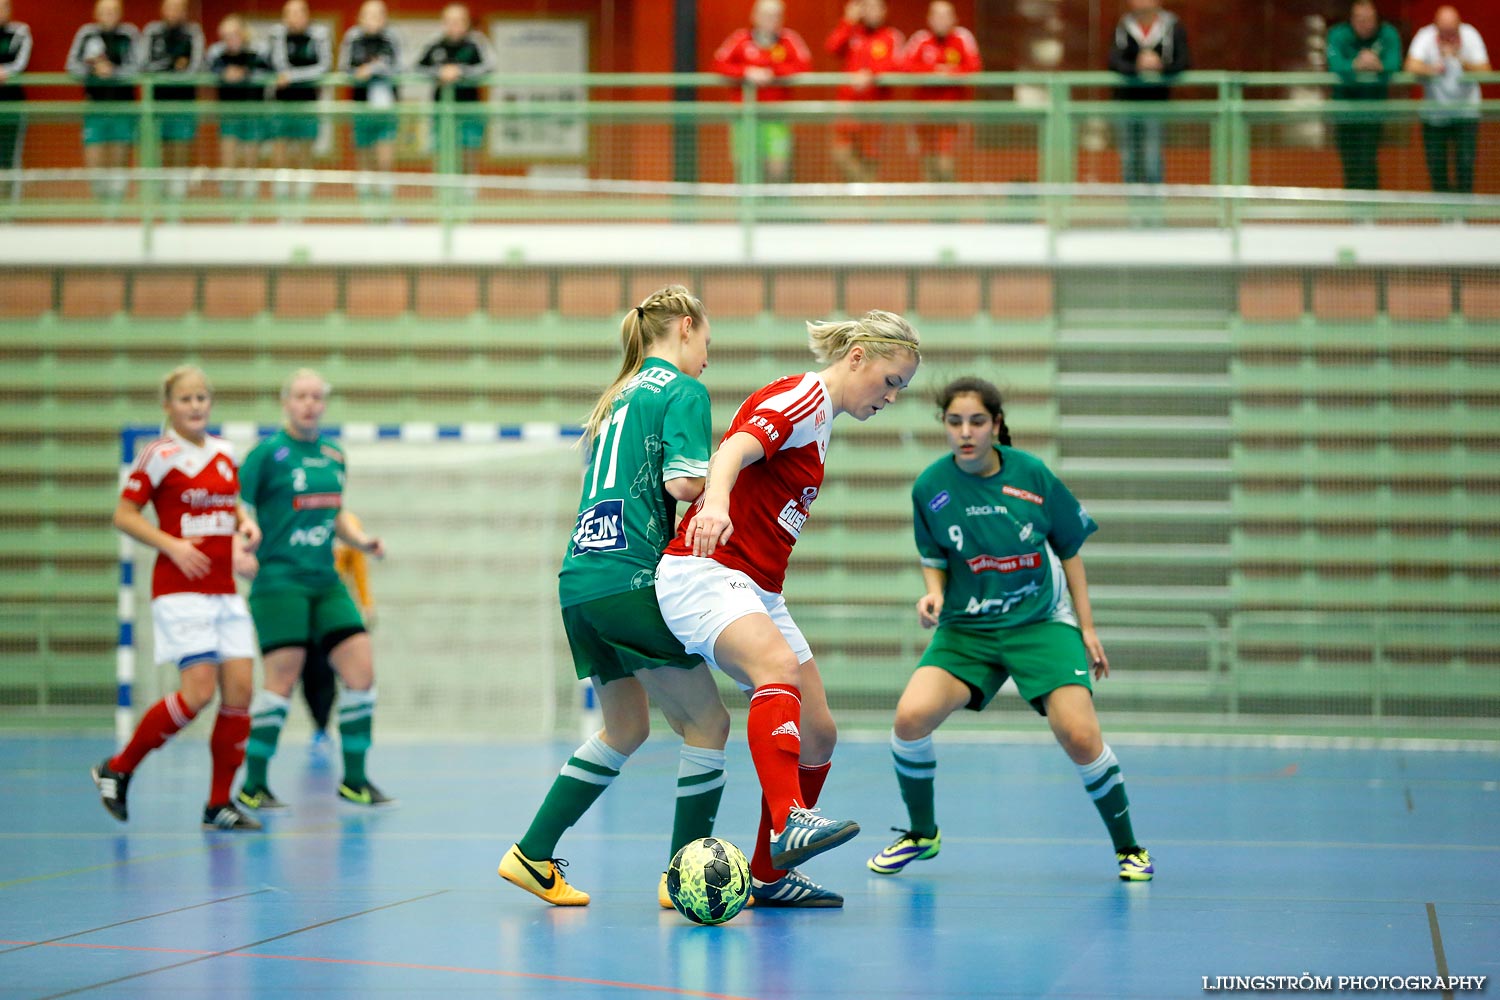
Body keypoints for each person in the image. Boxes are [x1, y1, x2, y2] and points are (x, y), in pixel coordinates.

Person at [655, 310, 922, 907]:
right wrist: (717, 504)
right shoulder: (801, 395)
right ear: (856, 358)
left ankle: (768, 876)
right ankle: (789, 820)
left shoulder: (823, 421)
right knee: (775, 669)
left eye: (900, 388)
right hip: (704, 572)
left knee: (819, 735)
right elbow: (733, 451)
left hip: (757, 590)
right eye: (889, 381)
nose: (891, 396)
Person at [499, 285, 734, 909]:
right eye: (708, 342)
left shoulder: (616, 397)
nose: (708, 357)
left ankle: (531, 853)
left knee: (626, 726)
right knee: (709, 721)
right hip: (630, 576)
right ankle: (681, 875)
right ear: (686, 328)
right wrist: (735, 473)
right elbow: (684, 482)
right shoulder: (683, 390)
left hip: (580, 580)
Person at [866, 377, 1154, 882]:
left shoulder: (1033, 476)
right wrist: (933, 592)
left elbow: (1071, 551)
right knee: (910, 717)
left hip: (1039, 622)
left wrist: (1086, 629)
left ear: (996, 425)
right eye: (954, 422)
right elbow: (934, 556)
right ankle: (921, 833)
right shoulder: (930, 488)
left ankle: (1128, 847)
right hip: (967, 629)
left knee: (1080, 734)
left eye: (977, 421)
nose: (965, 432)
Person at [91, 366, 263, 832]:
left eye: (202, 397)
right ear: (168, 405)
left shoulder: (225, 453)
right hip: (179, 590)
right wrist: (173, 545)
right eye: (185, 399)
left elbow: (230, 508)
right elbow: (124, 515)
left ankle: (217, 804)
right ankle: (119, 766)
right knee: (198, 693)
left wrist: (245, 528)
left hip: (224, 592)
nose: (195, 406)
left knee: (241, 693)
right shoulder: (158, 454)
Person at [236, 369, 393, 811]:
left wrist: (361, 541)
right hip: (279, 581)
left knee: (361, 672)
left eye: (316, 397)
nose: (309, 404)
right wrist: (238, 548)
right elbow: (236, 505)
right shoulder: (267, 455)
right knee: (281, 682)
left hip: (325, 580)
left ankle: (356, 781)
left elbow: (336, 512)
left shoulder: (333, 455)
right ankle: (253, 783)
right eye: (301, 396)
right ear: (286, 401)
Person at [710, 0, 813, 184]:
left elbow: (804, 66)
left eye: (776, 15)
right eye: (766, 15)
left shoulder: (789, 39)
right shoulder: (740, 39)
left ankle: (773, 211)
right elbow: (718, 64)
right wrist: (747, 72)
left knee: (777, 169)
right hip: (745, 116)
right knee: (746, 167)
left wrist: (773, 73)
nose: (771, 20)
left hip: (776, 117)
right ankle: (748, 212)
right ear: (755, 16)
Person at [1405, 6, 1490, 195]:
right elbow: (1411, 66)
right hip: (1435, 115)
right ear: (1436, 27)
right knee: (1437, 168)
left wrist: (1459, 58)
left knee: (1465, 165)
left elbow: (1485, 72)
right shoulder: (1425, 36)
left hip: (1466, 113)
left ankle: (1463, 217)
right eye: (1444, 32)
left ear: (1459, 26)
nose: (1448, 36)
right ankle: (1444, 218)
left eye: (1452, 31)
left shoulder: (1471, 35)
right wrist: (1432, 70)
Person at [1106, 0, 1189, 186]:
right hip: (1126, 104)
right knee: (1129, 159)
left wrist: (1160, 66)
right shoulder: (1123, 27)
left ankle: (1153, 212)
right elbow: (1113, 61)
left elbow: (1183, 61)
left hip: (1156, 104)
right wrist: (1137, 66)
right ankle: (1134, 213)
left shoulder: (1172, 26)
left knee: (1152, 158)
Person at [66, 0, 140, 200]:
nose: (109, 15)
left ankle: (115, 210)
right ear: (96, 14)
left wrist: (113, 72)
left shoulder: (129, 34)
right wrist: (93, 70)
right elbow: (71, 66)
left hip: (123, 107)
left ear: (121, 13)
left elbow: (139, 66)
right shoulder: (86, 34)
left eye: (114, 11)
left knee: (119, 160)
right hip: (94, 106)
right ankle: (101, 209)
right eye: (105, 11)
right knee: (94, 161)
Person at [900, 1, 982, 183]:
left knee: (946, 163)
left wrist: (950, 73)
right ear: (929, 18)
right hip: (924, 116)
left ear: (954, 18)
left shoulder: (962, 37)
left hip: (951, 116)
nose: (941, 20)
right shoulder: (920, 39)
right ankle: (932, 208)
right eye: (937, 15)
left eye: (946, 15)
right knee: (928, 163)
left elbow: (974, 67)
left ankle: (949, 207)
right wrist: (934, 71)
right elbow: (904, 65)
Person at [825, 0, 904, 183]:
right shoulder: (852, 31)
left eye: (875, 7)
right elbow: (832, 47)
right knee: (841, 155)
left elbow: (899, 65)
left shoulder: (891, 36)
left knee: (870, 162)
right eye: (866, 7)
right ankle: (865, 194)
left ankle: (865, 206)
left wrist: (872, 75)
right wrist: (847, 20)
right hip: (848, 109)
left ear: (884, 10)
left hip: (875, 114)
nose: (871, 11)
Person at [1327, 0, 1401, 191]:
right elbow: (1335, 65)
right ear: (1351, 20)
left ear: (1376, 20)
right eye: (1359, 19)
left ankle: (1369, 212)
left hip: (1373, 111)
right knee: (1349, 162)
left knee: (1367, 160)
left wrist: (1379, 66)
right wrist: (1355, 65)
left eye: (1369, 19)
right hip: (1344, 112)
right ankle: (1354, 213)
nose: (1364, 24)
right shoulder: (1338, 34)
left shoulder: (1388, 34)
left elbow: (1395, 63)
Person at [415, 3, 496, 180]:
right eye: (449, 21)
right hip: (441, 111)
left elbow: (489, 66)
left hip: (469, 109)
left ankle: (467, 196)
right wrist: (439, 73)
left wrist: (461, 72)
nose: (454, 25)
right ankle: (443, 196)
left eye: (459, 21)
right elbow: (417, 67)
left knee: (468, 153)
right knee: (440, 152)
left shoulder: (476, 42)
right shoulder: (434, 43)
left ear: (466, 22)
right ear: (443, 22)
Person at [266, 0, 331, 200]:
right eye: (289, 13)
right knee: (279, 149)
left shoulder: (318, 35)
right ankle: (281, 200)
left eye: (298, 12)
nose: (294, 17)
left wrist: (293, 77)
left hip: (308, 103)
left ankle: (302, 199)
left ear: (307, 15)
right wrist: (285, 74)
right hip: (282, 102)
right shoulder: (277, 35)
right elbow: (277, 63)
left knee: (305, 151)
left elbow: (324, 66)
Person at [338, 0, 401, 199]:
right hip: (361, 105)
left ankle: (386, 204)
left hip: (386, 107)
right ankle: (367, 205)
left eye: (378, 15)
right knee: (363, 155)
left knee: (385, 159)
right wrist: (358, 72)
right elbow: (343, 67)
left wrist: (374, 68)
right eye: (369, 15)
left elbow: (399, 66)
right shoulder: (352, 37)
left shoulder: (392, 38)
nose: (374, 20)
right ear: (360, 17)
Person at [141, 0, 203, 199]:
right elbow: (144, 65)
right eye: (170, 7)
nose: (174, 12)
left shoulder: (193, 32)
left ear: (185, 11)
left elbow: (195, 67)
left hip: (184, 103)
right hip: (156, 104)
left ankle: (177, 200)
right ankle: (158, 198)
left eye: (179, 8)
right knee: (159, 151)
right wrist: (172, 64)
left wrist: (175, 70)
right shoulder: (152, 32)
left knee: (181, 151)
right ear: (162, 10)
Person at [206, 15, 271, 199]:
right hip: (228, 112)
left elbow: (269, 69)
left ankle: (249, 202)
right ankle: (230, 201)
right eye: (226, 35)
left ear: (243, 33)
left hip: (254, 112)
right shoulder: (216, 53)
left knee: (251, 159)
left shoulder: (258, 51)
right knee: (228, 158)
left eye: (234, 34)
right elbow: (208, 68)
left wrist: (245, 74)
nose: (230, 39)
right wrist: (223, 73)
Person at [0, 0, 32, 201]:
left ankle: (9, 208)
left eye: (3, 7)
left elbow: (19, 62)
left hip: (12, 104)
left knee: (9, 157)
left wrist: (4, 71)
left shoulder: (20, 31)